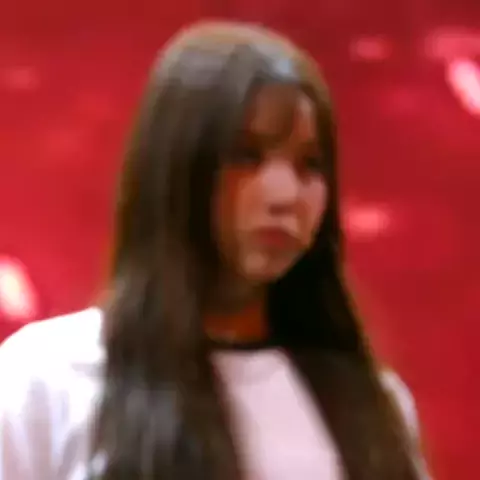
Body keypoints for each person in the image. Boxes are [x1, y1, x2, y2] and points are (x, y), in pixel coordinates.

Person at [0, 21, 431, 480]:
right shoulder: (47, 380)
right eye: (247, 156)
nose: (286, 195)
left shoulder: (372, 408)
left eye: (309, 165)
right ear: (177, 169)